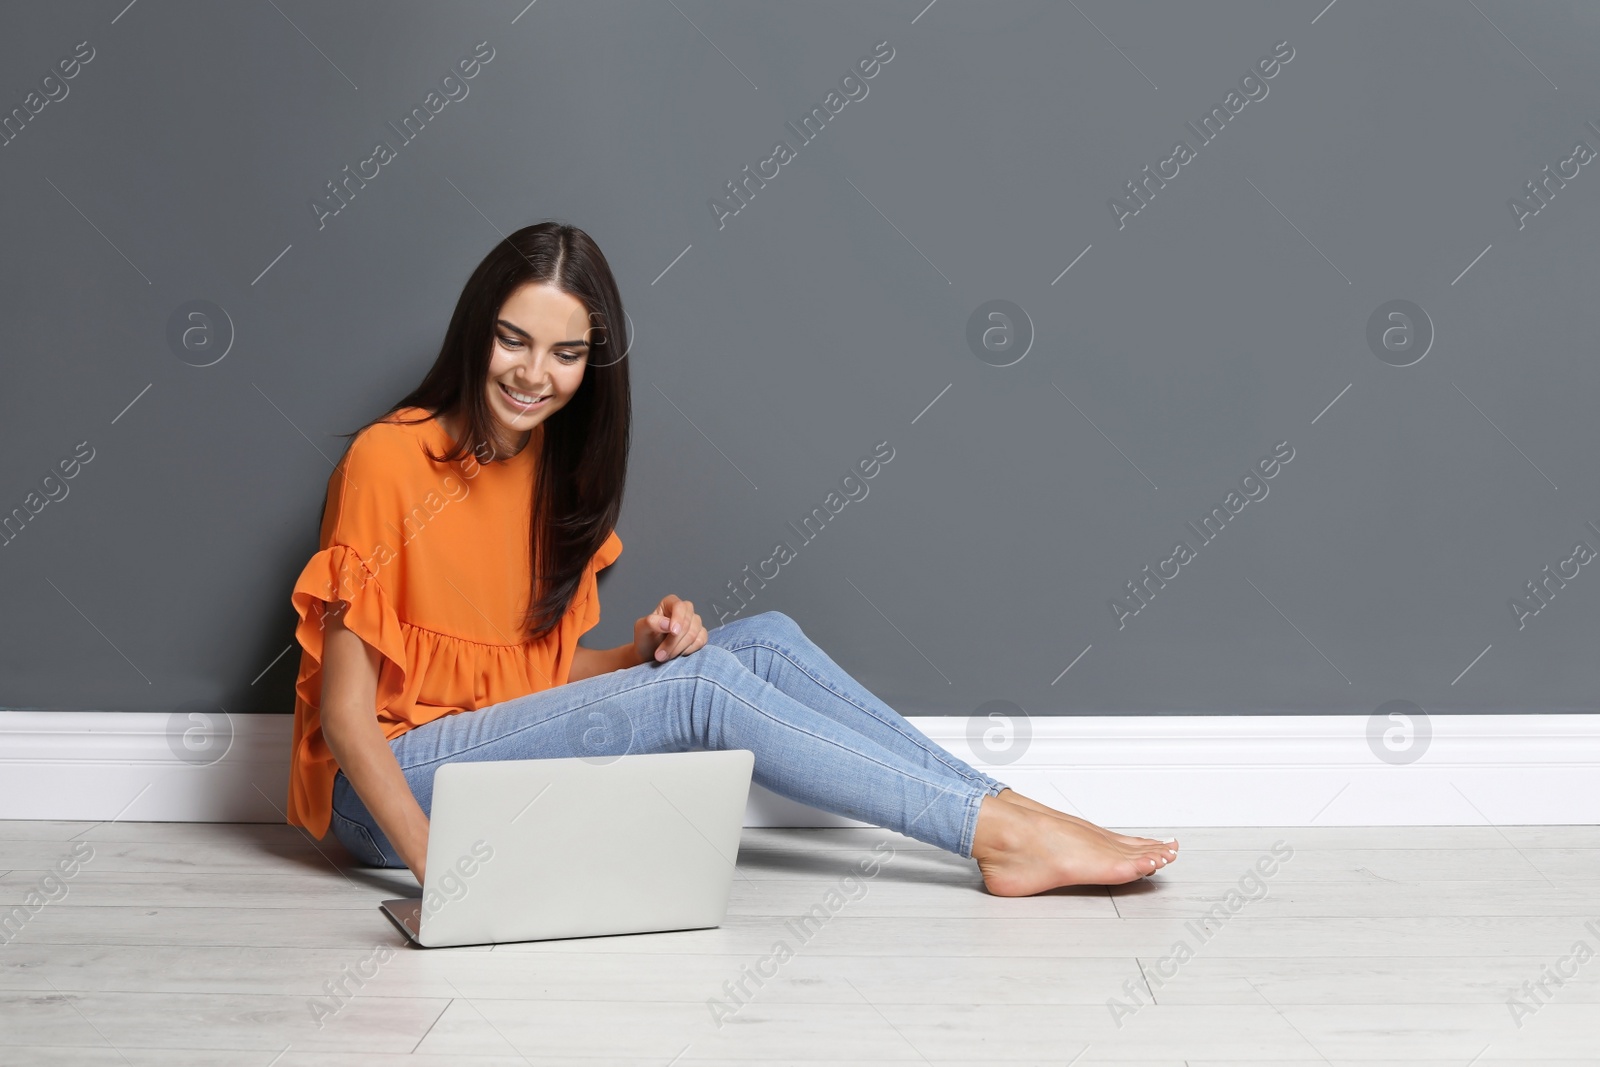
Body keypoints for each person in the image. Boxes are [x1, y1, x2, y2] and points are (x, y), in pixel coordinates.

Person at [284, 222, 1178, 897]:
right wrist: (441, 868)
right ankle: (994, 833)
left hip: (467, 759)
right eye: (513, 339)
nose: (533, 374)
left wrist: (637, 655)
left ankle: (1008, 809)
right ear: (476, 329)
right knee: (706, 696)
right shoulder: (390, 458)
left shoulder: (551, 469)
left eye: (566, 353)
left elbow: (517, 684)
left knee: (761, 641)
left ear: (593, 364)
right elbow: (352, 717)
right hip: (383, 798)